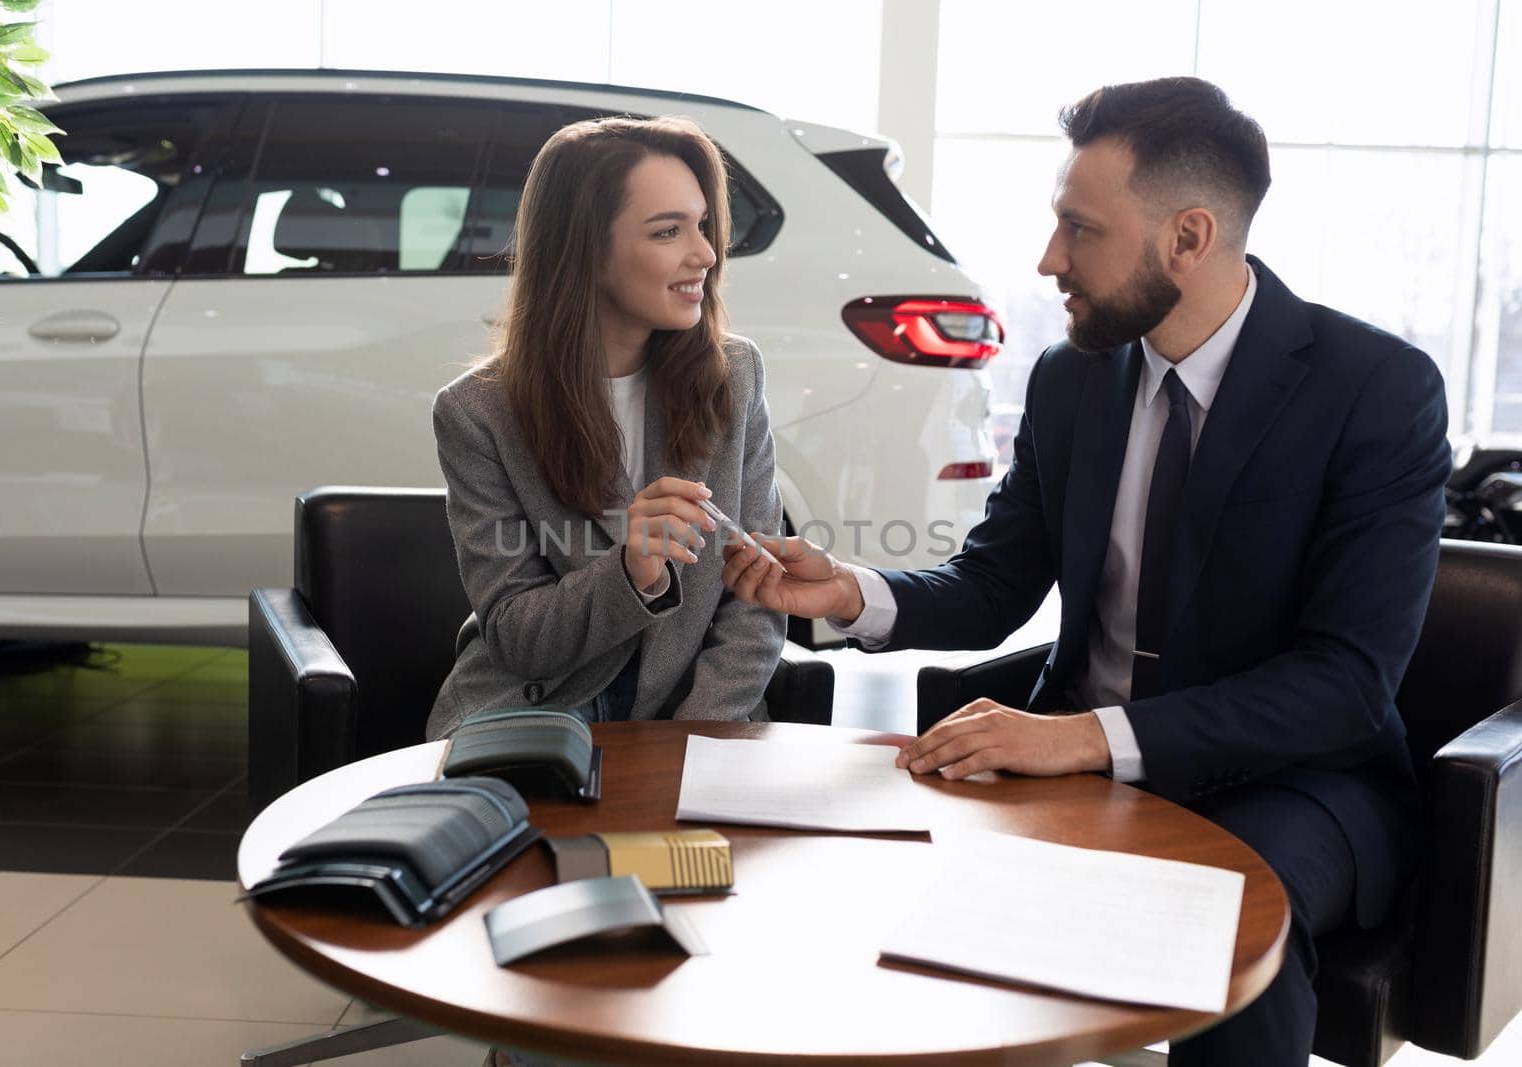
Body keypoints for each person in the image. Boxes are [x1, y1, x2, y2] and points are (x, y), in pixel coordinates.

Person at [722, 77, 1449, 1066]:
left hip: (1296, 781)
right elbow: (992, 585)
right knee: (846, 874)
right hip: (1070, 755)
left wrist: (1084, 738)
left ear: (1186, 237)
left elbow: (1343, 683)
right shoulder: (1074, 382)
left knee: (1228, 924)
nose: (1048, 259)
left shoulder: (1375, 391)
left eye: (1079, 228)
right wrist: (851, 592)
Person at [426, 115, 786, 743]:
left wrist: (697, 742)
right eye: (668, 231)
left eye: (702, 225)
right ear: (584, 249)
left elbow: (754, 601)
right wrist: (630, 570)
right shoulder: (478, 412)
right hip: (535, 707)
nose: (704, 253)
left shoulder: (736, 376)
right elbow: (515, 637)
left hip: (692, 710)